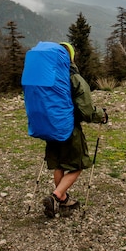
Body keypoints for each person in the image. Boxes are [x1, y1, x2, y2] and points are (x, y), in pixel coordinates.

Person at [42, 42, 107, 218]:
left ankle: (63, 200)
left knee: (59, 164)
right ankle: (56, 197)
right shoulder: (74, 78)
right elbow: (86, 111)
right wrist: (101, 115)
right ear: (70, 57)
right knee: (77, 165)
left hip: (50, 127)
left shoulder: (48, 76)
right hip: (68, 128)